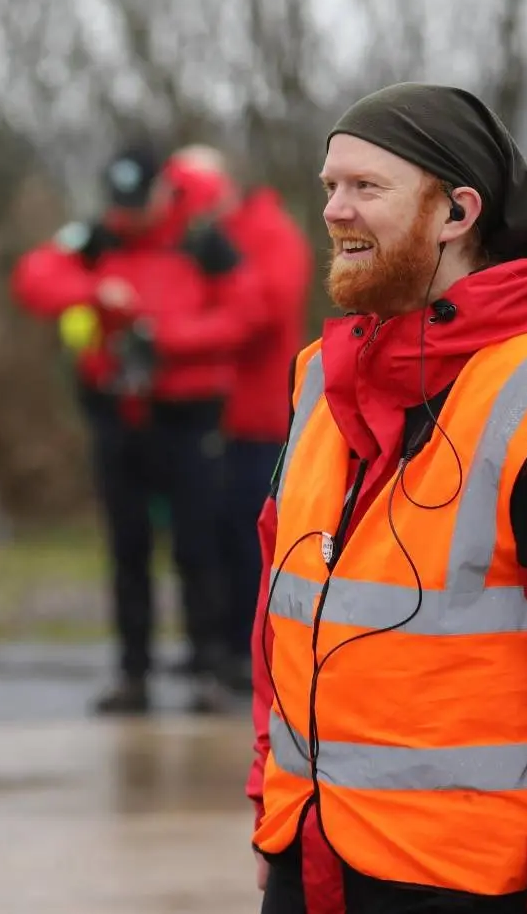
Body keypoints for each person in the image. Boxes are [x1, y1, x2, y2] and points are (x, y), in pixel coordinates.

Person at [244, 83, 527, 914]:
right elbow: (283, 623)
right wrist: (274, 817)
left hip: (478, 885)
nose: (335, 211)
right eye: (328, 187)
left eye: (364, 188)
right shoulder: (317, 379)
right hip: (310, 862)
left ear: (457, 212)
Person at [12, 142, 257, 715]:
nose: (128, 215)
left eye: (137, 202)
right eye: (118, 203)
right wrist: (96, 294)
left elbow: (245, 312)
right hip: (118, 416)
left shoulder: (202, 242)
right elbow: (35, 278)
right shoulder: (98, 238)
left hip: (188, 416)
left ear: (162, 192)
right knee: (127, 550)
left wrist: (168, 337)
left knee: (198, 547)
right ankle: (133, 674)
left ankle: (208, 669)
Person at [166, 146, 313, 694]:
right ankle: (220, 647)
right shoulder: (213, 239)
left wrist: (173, 336)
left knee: (250, 541)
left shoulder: (268, 236)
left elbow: (262, 313)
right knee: (210, 538)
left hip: (258, 418)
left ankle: (252, 655)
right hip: (213, 416)